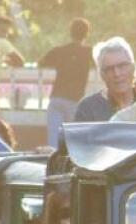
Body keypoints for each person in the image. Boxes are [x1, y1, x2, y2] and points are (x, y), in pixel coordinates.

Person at [39, 18, 92, 147]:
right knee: (73, 142)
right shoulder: (89, 52)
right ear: (87, 33)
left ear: (70, 32)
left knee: (53, 140)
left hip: (57, 98)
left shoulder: (59, 50)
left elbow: (41, 63)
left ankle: (52, 163)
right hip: (75, 99)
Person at [74, 36, 136, 122]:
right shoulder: (88, 108)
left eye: (122, 66)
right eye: (109, 69)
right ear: (101, 74)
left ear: (133, 67)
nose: (117, 74)